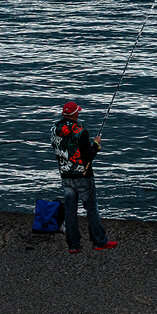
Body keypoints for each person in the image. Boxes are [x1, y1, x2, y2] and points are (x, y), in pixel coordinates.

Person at [50, 101, 117, 253]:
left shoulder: (54, 128)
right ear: (75, 114)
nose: (78, 113)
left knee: (70, 210)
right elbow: (88, 156)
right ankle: (99, 241)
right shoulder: (81, 131)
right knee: (91, 209)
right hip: (83, 175)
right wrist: (96, 145)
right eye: (77, 112)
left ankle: (73, 245)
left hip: (65, 175)